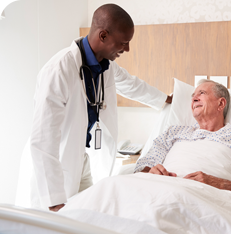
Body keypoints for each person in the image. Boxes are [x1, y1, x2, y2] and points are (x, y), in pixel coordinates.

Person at [30, 4, 171, 212]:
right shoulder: (59, 70)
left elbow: (132, 85)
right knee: (57, 229)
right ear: (103, 35)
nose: (127, 49)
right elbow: (43, 141)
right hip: (55, 166)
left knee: (91, 216)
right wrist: (54, 200)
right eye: (123, 43)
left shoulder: (106, 65)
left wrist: (166, 99)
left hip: (82, 159)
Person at [134, 80, 231, 201]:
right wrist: (151, 174)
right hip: (158, 193)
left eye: (201, 93)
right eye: (193, 96)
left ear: (221, 104)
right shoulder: (173, 133)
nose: (194, 99)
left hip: (205, 199)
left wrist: (218, 183)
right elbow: (142, 171)